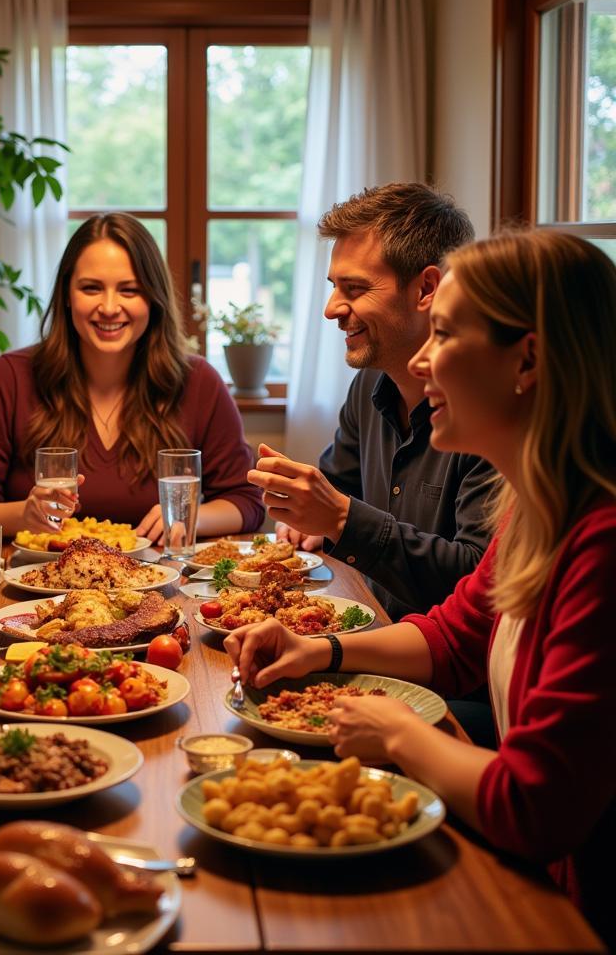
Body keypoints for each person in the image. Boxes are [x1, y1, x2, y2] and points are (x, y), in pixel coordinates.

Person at [227, 230, 616, 945]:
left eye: (443, 334)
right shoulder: (539, 510)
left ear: (527, 359)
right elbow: (453, 638)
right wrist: (322, 650)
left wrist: (402, 734)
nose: (419, 360)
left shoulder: (602, 541)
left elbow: (535, 804)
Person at [249, 183, 495, 620]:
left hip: (450, 680)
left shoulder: (489, 411)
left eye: (355, 288)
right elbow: (338, 490)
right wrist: (305, 518)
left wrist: (341, 519)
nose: (331, 309)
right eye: (333, 286)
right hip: (373, 632)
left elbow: (478, 585)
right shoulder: (368, 387)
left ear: (427, 289)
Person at [0, 212, 264, 539]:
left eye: (129, 290)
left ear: (153, 298)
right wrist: (24, 514)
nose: (108, 307)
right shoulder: (10, 377)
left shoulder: (199, 381)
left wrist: (187, 517)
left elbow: (246, 501)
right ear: (66, 295)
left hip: (162, 583)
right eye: (91, 288)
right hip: (36, 584)